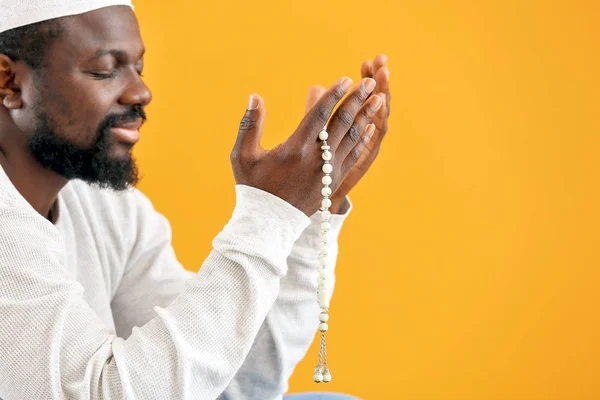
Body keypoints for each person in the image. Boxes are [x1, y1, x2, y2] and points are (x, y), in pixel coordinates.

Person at [0, 1, 391, 399]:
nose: (141, 91)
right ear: (9, 82)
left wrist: (308, 210)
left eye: (139, 68)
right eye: (105, 70)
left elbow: (233, 384)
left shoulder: (109, 208)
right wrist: (268, 216)